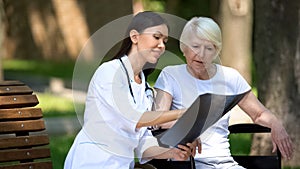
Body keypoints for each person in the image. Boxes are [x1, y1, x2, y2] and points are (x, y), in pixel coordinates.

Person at [154, 16, 294, 169]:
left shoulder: (230, 77)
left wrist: (276, 124)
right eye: (195, 46)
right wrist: (190, 129)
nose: (201, 54)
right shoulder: (171, 75)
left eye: (209, 48)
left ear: (216, 51)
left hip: (225, 163)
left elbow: (259, 114)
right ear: (184, 47)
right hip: (187, 162)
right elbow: (157, 120)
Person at [64, 11, 196, 169]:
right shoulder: (110, 73)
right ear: (135, 37)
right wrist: (184, 112)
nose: (162, 45)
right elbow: (134, 117)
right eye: (156, 37)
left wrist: (174, 153)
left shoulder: (144, 87)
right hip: (92, 162)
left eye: (165, 40)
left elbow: (143, 145)